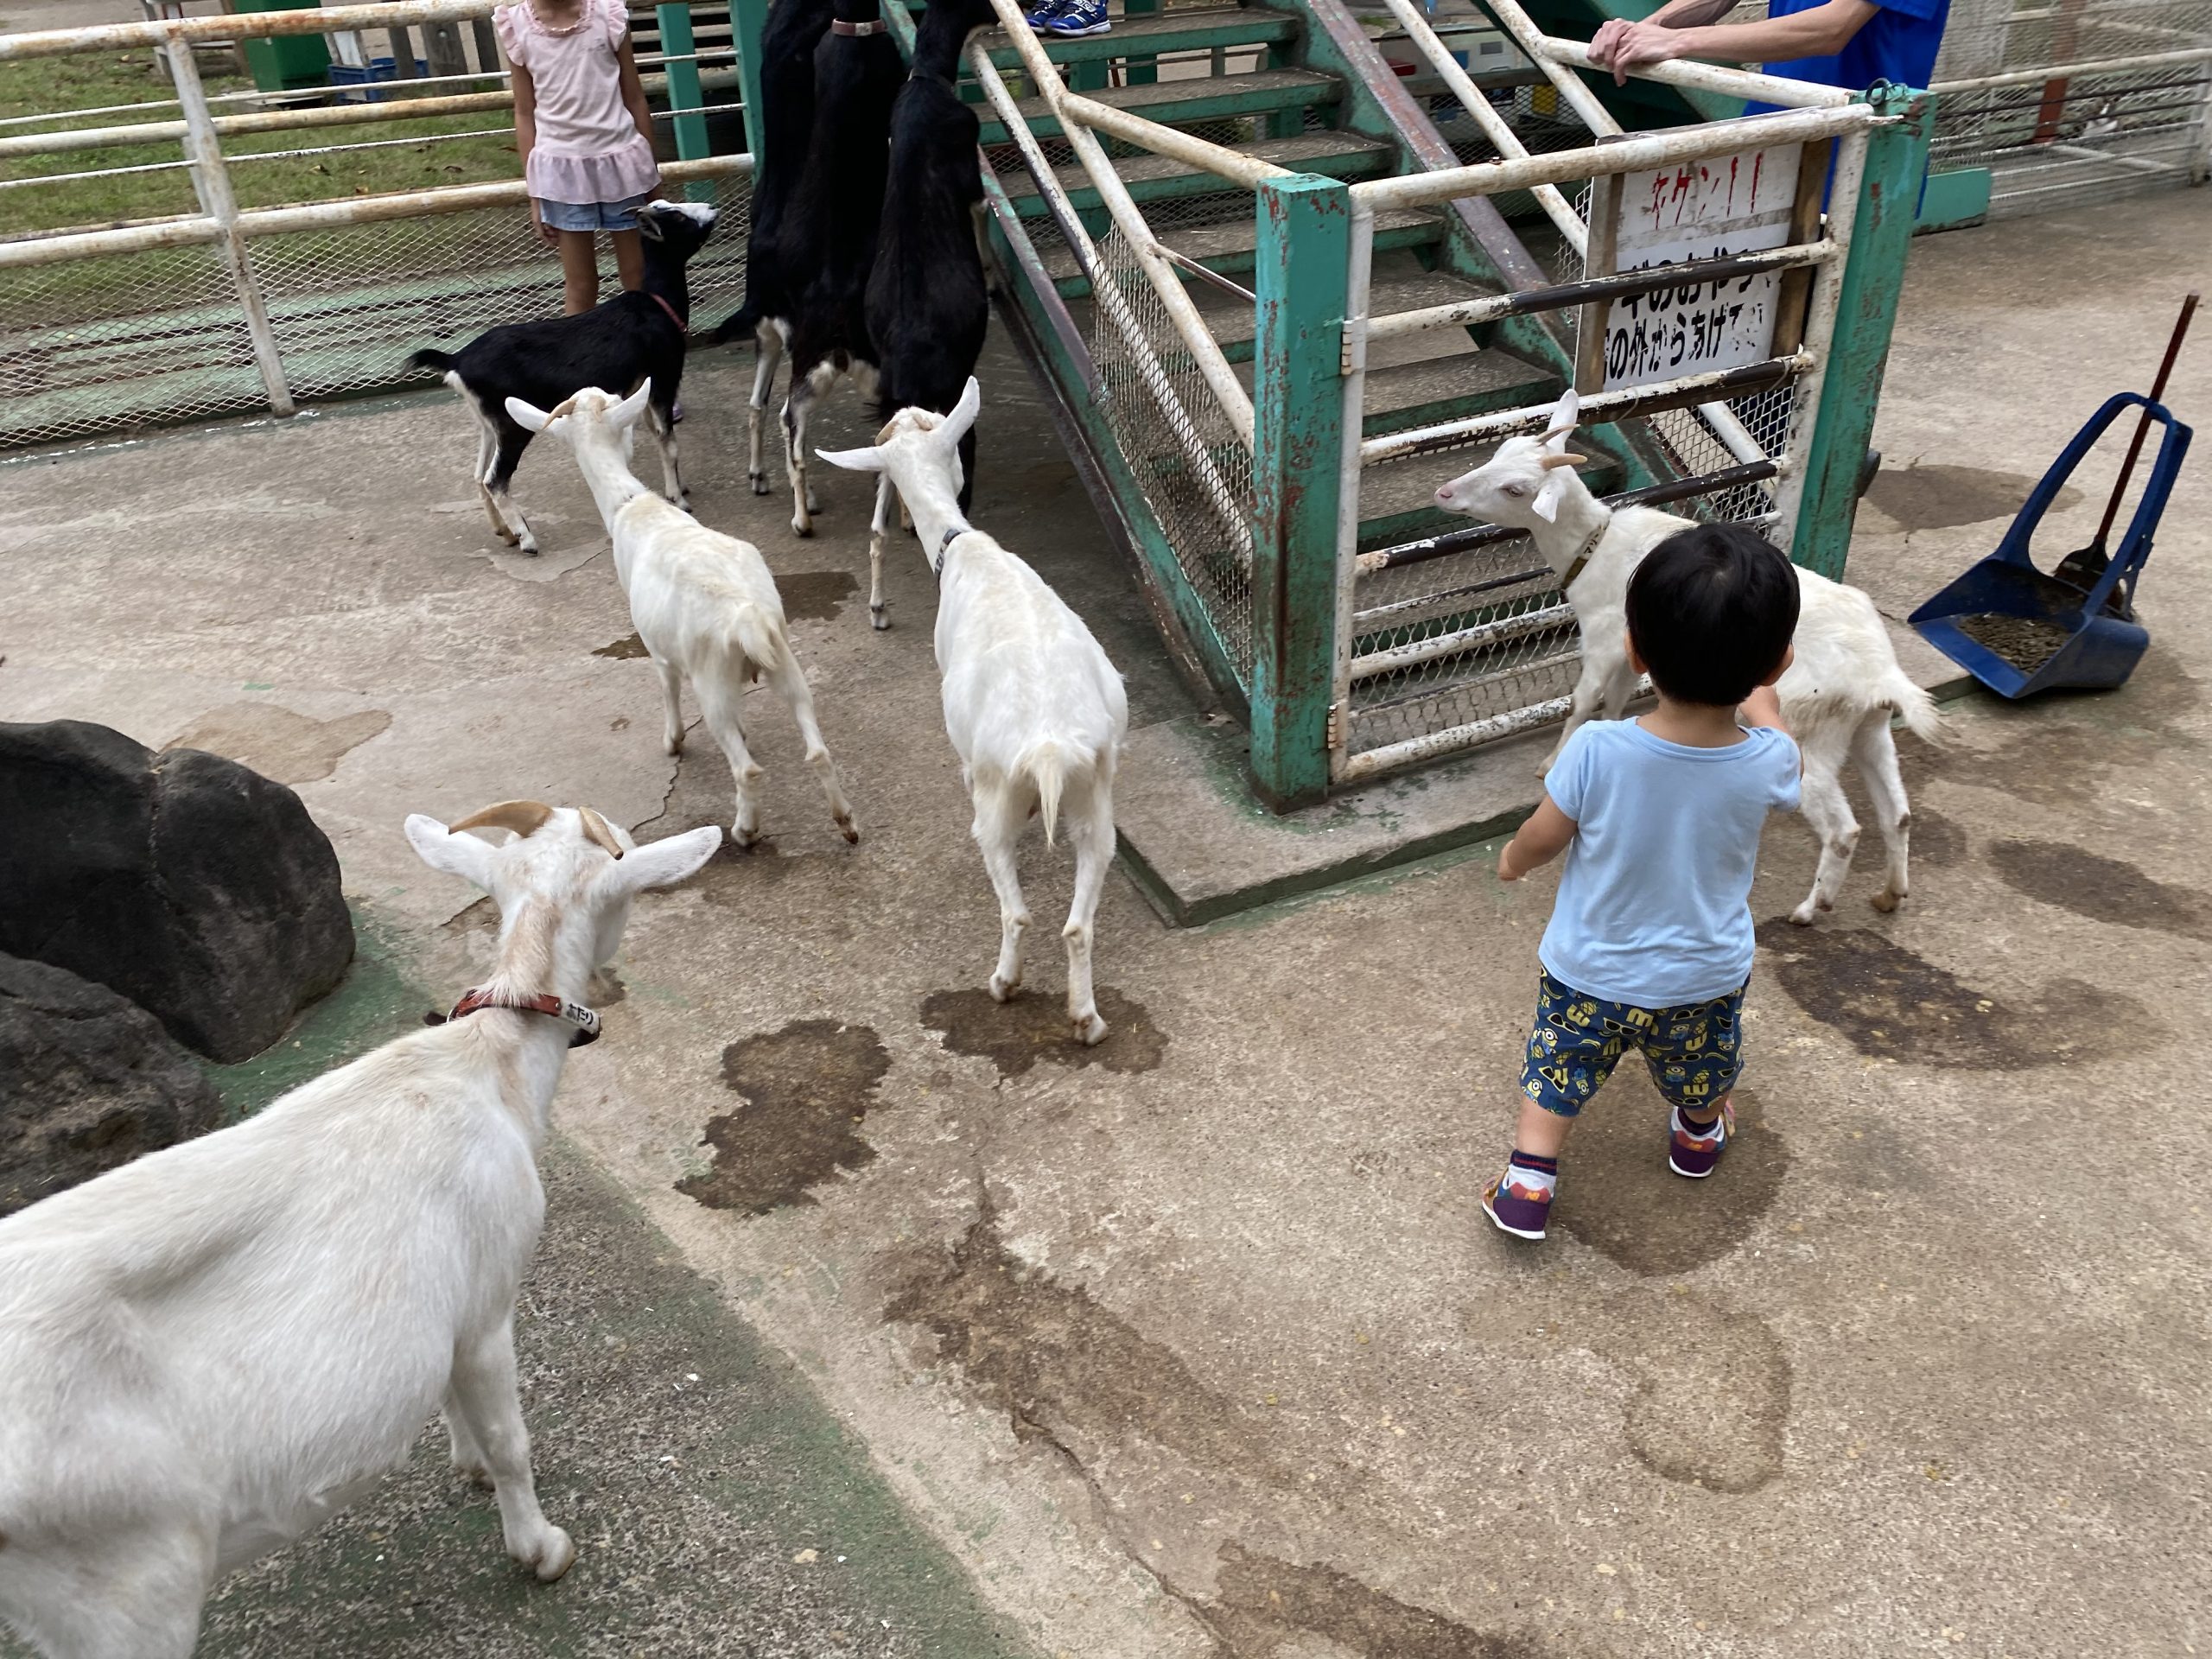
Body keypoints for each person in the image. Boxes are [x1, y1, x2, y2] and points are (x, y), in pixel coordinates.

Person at [1482, 524, 1803, 1243]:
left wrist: (1513, 859)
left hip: (1589, 972)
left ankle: (1527, 1185)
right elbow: (1780, 747)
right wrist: (1764, 704)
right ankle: (1695, 1136)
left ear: (1637, 651)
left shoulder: (1598, 750)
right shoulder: (1770, 763)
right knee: (1704, 1065)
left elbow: (1544, 835)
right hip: (1703, 972)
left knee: (1558, 1069)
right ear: (1777, 662)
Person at [498, 0, 664, 316]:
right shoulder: (515, 24)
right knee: (581, 286)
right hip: (562, 172)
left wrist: (650, 176)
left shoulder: (609, 14)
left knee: (638, 277)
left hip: (622, 163)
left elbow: (634, 97)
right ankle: (577, 365)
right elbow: (524, 112)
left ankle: (647, 364)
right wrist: (537, 195)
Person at [1587, 0, 1949, 111]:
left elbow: (1832, 30)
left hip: (1862, 140)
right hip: (1777, 124)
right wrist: (1640, 30)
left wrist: (1677, 40)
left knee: (1833, 286)